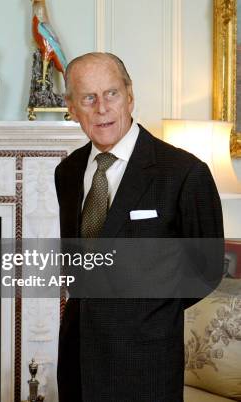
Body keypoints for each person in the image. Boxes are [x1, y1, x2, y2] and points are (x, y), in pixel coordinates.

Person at [54, 52, 224, 401]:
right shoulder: (67, 172)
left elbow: (206, 270)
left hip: (145, 360)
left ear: (129, 96)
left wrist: (145, 309)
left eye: (111, 93)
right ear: (72, 108)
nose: (102, 107)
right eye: (88, 97)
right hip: (77, 359)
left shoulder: (184, 173)